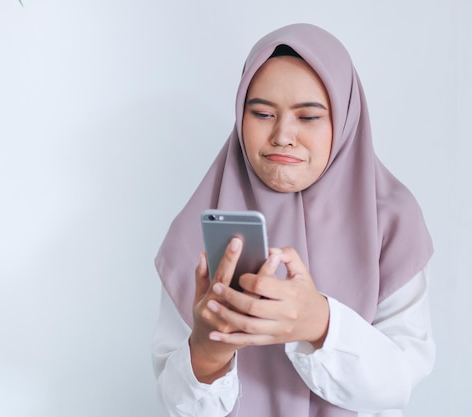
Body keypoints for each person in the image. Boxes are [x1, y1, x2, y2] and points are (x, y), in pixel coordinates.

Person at [152, 23, 435, 417]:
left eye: (309, 117)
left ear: (345, 120)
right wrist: (207, 353)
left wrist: (320, 324)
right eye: (263, 113)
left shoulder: (390, 219)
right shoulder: (196, 229)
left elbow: (397, 385)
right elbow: (177, 406)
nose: (283, 135)